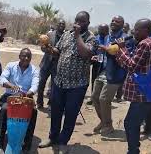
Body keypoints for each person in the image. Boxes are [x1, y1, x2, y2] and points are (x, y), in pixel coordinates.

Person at [39, 11, 97, 152]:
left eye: (82, 21)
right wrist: (48, 49)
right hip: (59, 81)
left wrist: (77, 36)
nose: (78, 23)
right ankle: (52, 137)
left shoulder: (91, 38)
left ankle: (63, 141)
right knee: (56, 112)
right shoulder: (66, 34)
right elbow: (58, 51)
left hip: (77, 84)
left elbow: (85, 53)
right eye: (77, 20)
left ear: (87, 23)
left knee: (70, 114)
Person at [115, 19, 151, 154]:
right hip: (148, 91)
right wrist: (121, 53)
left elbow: (131, 66)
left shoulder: (145, 44)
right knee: (133, 123)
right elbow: (135, 64)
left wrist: (121, 49)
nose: (133, 31)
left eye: (136, 29)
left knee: (130, 124)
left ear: (145, 30)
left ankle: (133, 151)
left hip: (143, 93)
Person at [0, 48, 39, 154]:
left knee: (33, 112)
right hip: (10, 96)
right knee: (5, 110)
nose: (26, 58)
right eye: (24, 55)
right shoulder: (11, 66)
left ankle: (26, 146)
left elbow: (35, 86)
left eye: (28, 56)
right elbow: (2, 79)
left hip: (26, 97)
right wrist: (11, 86)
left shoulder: (34, 70)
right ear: (19, 56)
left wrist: (27, 94)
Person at [92, 17, 130, 135]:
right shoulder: (107, 36)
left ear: (122, 24)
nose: (113, 22)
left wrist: (106, 48)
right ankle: (103, 121)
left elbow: (119, 53)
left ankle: (108, 125)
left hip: (115, 73)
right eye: (112, 20)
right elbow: (104, 53)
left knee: (104, 99)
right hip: (102, 71)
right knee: (94, 97)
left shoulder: (125, 38)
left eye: (117, 21)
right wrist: (97, 57)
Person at [37, 19, 65, 109]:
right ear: (56, 25)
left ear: (65, 26)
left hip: (57, 65)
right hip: (46, 63)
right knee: (41, 83)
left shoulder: (66, 37)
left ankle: (50, 103)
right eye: (59, 23)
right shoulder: (49, 34)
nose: (61, 25)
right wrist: (47, 49)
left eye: (63, 24)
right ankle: (39, 103)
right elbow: (42, 48)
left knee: (54, 86)